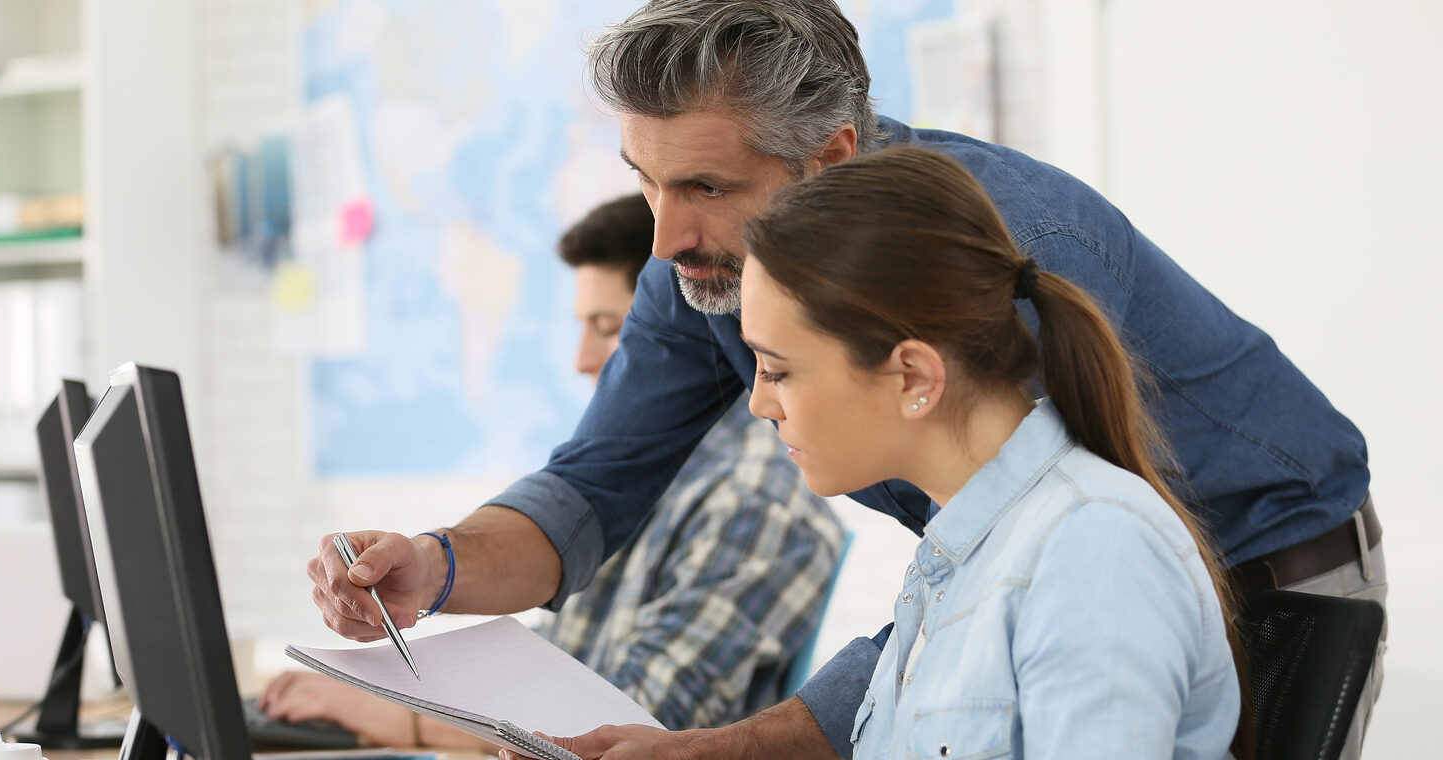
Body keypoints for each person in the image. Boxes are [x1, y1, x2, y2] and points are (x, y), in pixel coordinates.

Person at [309, 2, 1383, 759]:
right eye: (643, 183)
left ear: (827, 156)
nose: (666, 234)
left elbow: (1031, 585)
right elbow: (592, 487)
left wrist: (714, 751)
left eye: (704, 185)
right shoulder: (704, 267)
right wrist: (432, 565)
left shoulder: (1005, 273)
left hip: (1261, 565)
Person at [262, 194, 843, 748]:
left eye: (613, 329)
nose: (583, 360)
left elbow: (646, 718)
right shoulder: (638, 487)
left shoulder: (753, 502)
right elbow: (568, 659)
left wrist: (399, 721)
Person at [731, 146, 1245, 757]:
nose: (760, 404)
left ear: (915, 378)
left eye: (778, 370)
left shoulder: (1094, 551)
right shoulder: (959, 549)